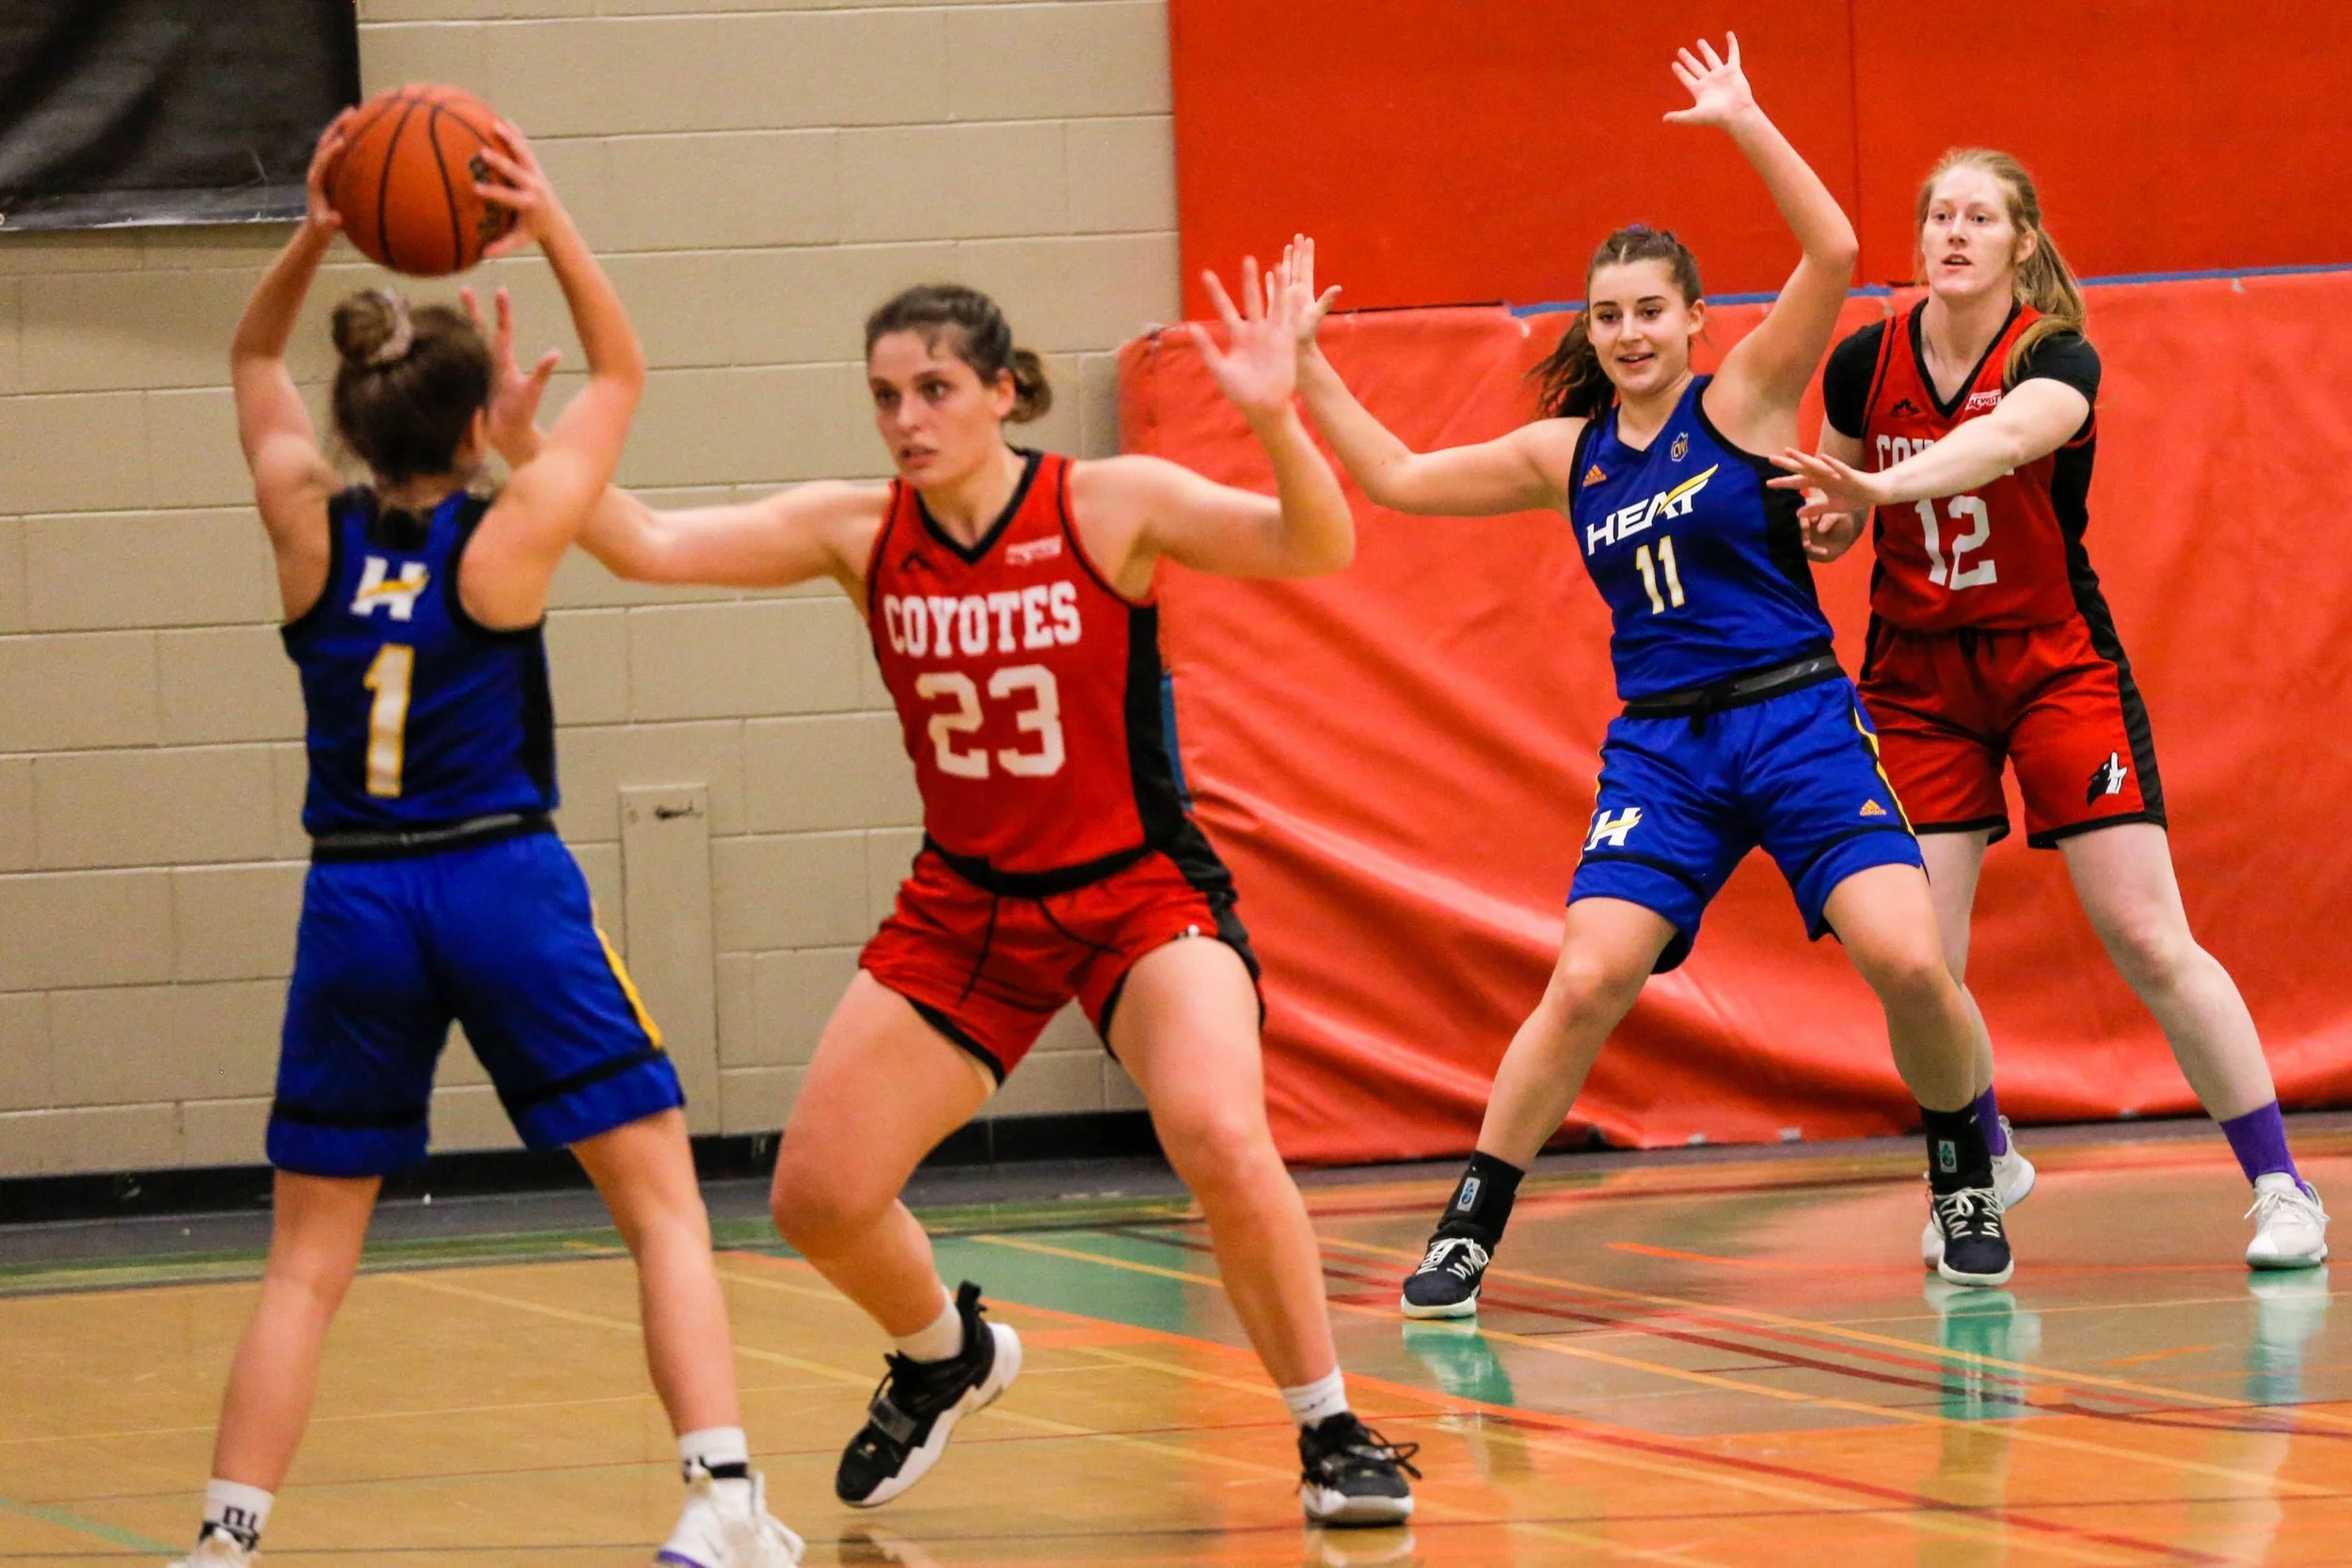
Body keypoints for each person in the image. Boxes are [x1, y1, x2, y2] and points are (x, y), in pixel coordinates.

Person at [500, 266, 1420, 1525]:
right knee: (817, 1197)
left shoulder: (1108, 504)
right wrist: (524, 450)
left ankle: (1331, 1427)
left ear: (1003, 390)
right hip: (969, 902)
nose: (907, 418)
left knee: (1214, 1127)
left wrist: (1272, 414)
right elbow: (642, 541)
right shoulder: (863, 531)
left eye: (933, 388)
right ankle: (947, 1352)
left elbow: (1319, 543)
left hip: (1139, 892)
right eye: (885, 396)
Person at [1282, 36, 2018, 1315]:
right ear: (1594, 328)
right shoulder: (1566, 455)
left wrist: (1742, 118)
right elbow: (1396, 478)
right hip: (1665, 751)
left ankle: (1961, 1167)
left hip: (1794, 717)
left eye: (1648, 310)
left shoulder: (1738, 403)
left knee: (1909, 963)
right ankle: (1470, 1222)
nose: (1626, 332)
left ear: (1691, 320)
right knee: (1584, 979)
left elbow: (1836, 253)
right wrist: (1302, 365)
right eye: (1607, 314)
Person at [181, 115, 801, 1568]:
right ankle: (719, 1502)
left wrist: (322, 223)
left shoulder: (304, 528)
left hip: (356, 899)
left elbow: (251, 364)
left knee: (305, 1262)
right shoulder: (506, 539)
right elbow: (629, 372)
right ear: (476, 430)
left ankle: (224, 1537)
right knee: (657, 1203)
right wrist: (552, 217)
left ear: (353, 424)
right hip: (500, 879)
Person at [1772, 148, 2328, 1270]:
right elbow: (1826, 509)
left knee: (2143, 931)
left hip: (2051, 663)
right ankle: (1977, 1157)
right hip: (1917, 678)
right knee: (1917, 957)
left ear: (2020, 242)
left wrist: (1880, 487)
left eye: (1980, 217)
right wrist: (1826, 523)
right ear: (1920, 239)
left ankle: (2282, 1184)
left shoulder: (2055, 355)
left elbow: (2000, 442)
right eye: (1939, 216)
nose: (1955, 233)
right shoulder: (1859, 363)